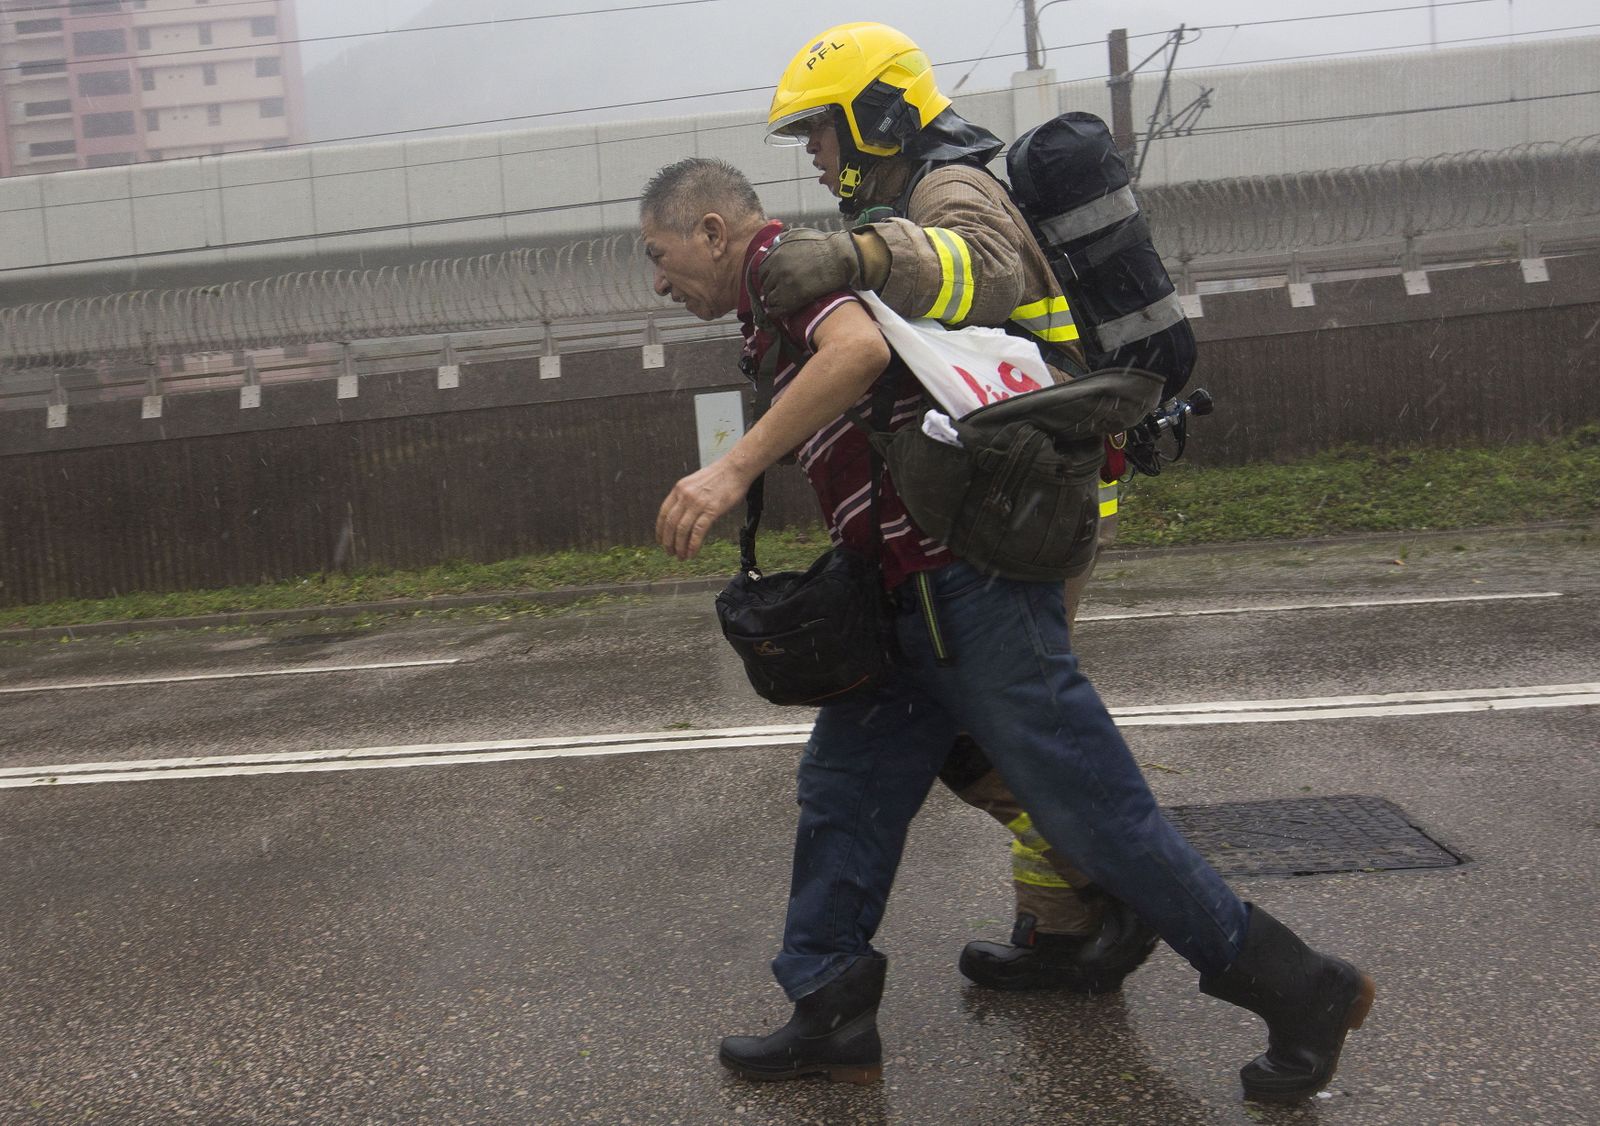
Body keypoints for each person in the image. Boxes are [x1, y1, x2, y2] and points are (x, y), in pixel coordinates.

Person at [641, 156, 1375, 1104]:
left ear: (711, 230)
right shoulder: (769, 296)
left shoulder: (785, 266)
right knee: (844, 792)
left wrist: (729, 470)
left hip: (968, 587)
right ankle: (829, 1007)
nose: (660, 282)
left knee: (1092, 810)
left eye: (662, 256)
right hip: (902, 593)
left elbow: (858, 353)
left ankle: (1298, 986)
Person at [757, 20, 1149, 992]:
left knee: (1001, 729)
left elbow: (986, 270)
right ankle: (1060, 927)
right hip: (1012, 491)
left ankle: (1121, 880)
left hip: (1033, 498)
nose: (813, 153)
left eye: (822, 130)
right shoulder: (911, 191)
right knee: (1001, 725)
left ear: (879, 114)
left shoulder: (948, 189)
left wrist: (864, 260)